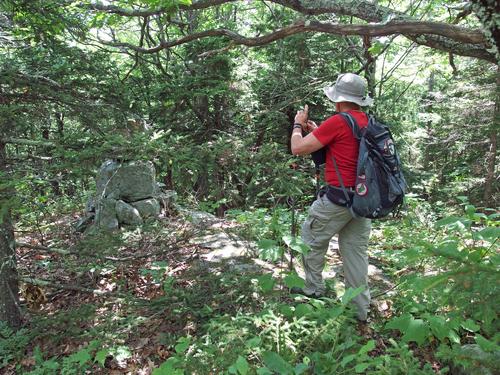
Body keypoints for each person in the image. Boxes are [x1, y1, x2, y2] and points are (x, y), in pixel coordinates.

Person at [290, 73, 373, 321]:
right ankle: (360, 311)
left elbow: (298, 148)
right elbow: (345, 148)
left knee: (311, 240)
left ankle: (314, 291)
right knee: (356, 253)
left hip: (337, 200)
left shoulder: (337, 121)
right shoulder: (367, 121)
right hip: (362, 201)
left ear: (338, 100)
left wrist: (297, 125)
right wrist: (318, 131)